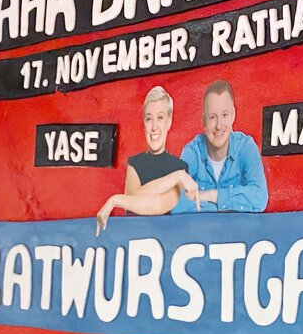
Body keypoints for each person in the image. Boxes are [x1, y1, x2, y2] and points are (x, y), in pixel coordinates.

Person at [96, 86, 199, 235]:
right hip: (133, 239)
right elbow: (132, 202)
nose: (154, 127)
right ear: (144, 123)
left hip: (164, 241)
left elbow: (158, 206)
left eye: (160, 117)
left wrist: (115, 200)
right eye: (149, 118)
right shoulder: (135, 163)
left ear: (169, 122)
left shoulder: (180, 167)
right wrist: (177, 177)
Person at [173, 80, 268, 213]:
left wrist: (211, 195)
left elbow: (260, 197)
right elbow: (173, 201)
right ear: (204, 120)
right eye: (212, 117)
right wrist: (222, 207)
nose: (219, 125)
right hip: (200, 227)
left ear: (233, 115)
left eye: (224, 115)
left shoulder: (246, 147)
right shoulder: (192, 152)